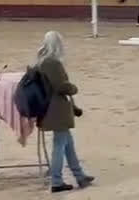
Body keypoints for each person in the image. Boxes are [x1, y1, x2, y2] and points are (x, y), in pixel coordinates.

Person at [36, 31, 94, 193]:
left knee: (67, 144)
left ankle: (79, 175)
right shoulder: (52, 63)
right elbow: (61, 86)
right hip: (56, 109)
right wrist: (73, 88)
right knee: (60, 145)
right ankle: (56, 181)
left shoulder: (42, 61)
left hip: (51, 108)